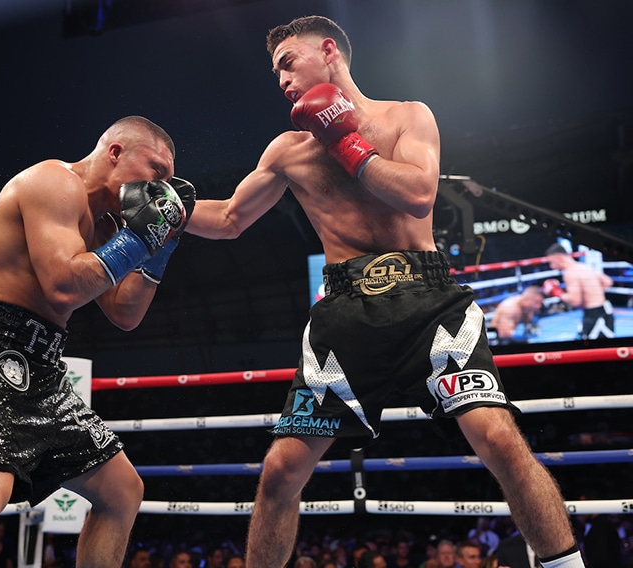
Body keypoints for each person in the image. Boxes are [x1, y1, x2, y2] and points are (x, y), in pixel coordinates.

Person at [185, 15, 583, 568]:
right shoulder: (287, 150)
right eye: (275, 72)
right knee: (280, 470)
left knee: (499, 438)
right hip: (345, 314)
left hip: (428, 302)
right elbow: (228, 218)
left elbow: (419, 194)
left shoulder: (407, 117)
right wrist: (166, 211)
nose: (280, 80)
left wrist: (345, 141)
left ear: (329, 52)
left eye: (287, 63)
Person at [0, 116, 193, 568]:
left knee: (122, 492)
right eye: (156, 172)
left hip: (45, 366)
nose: (160, 188)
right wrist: (136, 240)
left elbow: (125, 313)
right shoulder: (53, 182)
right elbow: (64, 287)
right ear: (115, 153)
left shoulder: (108, 227)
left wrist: (159, 247)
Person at [543, 244, 614, 339]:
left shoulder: (570, 273)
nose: (552, 266)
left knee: (590, 349)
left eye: (552, 262)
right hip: (605, 310)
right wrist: (593, 293)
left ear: (559, 257)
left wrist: (557, 292)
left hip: (593, 314)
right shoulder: (584, 267)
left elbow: (576, 301)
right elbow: (607, 281)